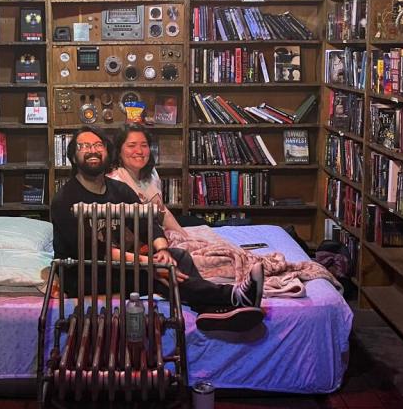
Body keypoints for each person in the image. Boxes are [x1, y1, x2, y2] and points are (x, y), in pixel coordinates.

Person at [51, 126, 264, 332]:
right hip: (83, 271)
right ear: (73, 156)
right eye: (83, 146)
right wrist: (148, 263)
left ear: (107, 151)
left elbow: (147, 223)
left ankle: (208, 310)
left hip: (116, 264)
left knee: (177, 257)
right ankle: (231, 296)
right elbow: (93, 250)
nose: (92, 150)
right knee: (153, 275)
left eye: (98, 145)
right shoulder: (64, 200)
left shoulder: (119, 190)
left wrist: (161, 252)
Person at [107, 123, 184, 235]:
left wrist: (184, 236)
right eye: (131, 145)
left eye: (144, 145)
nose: (139, 151)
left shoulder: (152, 173)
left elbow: (163, 212)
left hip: (157, 232)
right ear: (119, 151)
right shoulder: (113, 181)